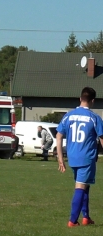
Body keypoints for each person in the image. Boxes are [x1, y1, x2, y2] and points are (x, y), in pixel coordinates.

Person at [56, 87, 103, 227]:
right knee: (80, 187)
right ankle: (72, 220)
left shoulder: (68, 116)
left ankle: (86, 217)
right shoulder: (94, 118)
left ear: (80, 98)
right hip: (86, 158)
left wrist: (60, 158)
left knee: (85, 186)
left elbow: (58, 136)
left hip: (72, 157)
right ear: (93, 101)